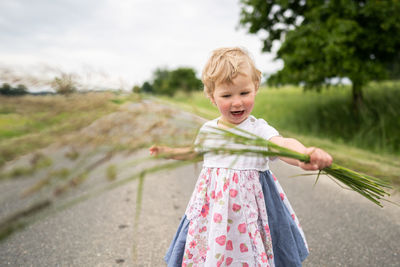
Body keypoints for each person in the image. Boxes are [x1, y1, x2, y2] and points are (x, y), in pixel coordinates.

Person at [149, 47, 332, 267]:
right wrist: (168, 152)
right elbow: (195, 153)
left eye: (244, 93)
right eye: (227, 95)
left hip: (252, 213)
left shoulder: (257, 130)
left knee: (254, 254)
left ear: (255, 88)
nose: (237, 102)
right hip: (214, 212)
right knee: (215, 252)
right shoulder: (209, 130)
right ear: (212, 97)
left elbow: (281, 145)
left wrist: (304, 154)